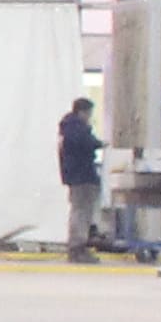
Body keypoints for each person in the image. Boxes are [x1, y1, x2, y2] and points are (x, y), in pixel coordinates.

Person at [60, 96, 109, 260]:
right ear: (82, 112)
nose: (89, 117)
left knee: (79, 210)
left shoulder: (68, 127)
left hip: (75, 175)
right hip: (82, 175)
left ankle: (77, 246)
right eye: (89, 113)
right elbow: (84, 143)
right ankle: (77, 247)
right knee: (82, 211)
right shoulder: (76, 128)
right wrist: (99, 144)